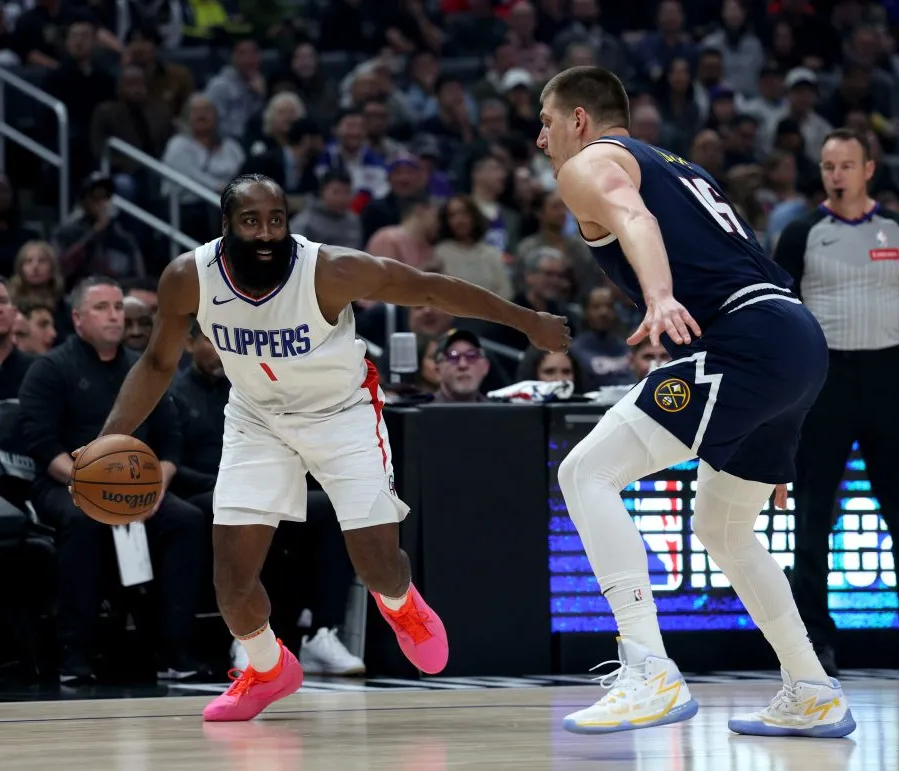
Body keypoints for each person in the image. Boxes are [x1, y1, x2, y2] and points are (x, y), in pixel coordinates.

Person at [78, 174, 570, 722]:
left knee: (379, 566)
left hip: (342, 415)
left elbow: (431, 288)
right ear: (226, 225)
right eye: (250, 221)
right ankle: (267, 668)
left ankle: (401, 605)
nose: (266, 232)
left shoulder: (330, 270)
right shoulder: (188, 278)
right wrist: (106, 441)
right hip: (257, 419)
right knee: (231, 582)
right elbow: (156, 364)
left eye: (276, 219)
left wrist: (530, 323)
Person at [537, 66, 854, 738]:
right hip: (794, 342)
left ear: (580, 120)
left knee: (583, 473)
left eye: (546, 121)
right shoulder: (676, 163)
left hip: (744, 341)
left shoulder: (589, 163)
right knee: (725, 526)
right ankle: (812, 686)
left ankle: (648, 667)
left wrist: (657, 294)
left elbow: (631, 214)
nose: (542, 140)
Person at [775, 129, 899, 678]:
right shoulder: (802, 232)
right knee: (812, 514)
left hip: (886, 375)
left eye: (847, 165)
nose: (836, 175)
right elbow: (780, 315)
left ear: (869, 169)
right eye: (828, 165)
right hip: (823, 376)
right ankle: (816, 647)